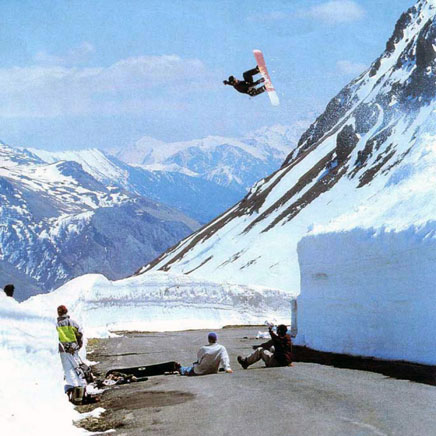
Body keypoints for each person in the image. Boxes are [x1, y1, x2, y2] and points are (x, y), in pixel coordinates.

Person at [56, 305, 87, 403]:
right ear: (66, 312)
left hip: (62, 350)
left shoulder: (56, 324)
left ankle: (75, 394)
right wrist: (78, 345)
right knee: (78, 369)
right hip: (73, 349)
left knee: (69, 371)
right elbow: (79, 333)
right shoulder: (71, 323)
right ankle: (81, 393)